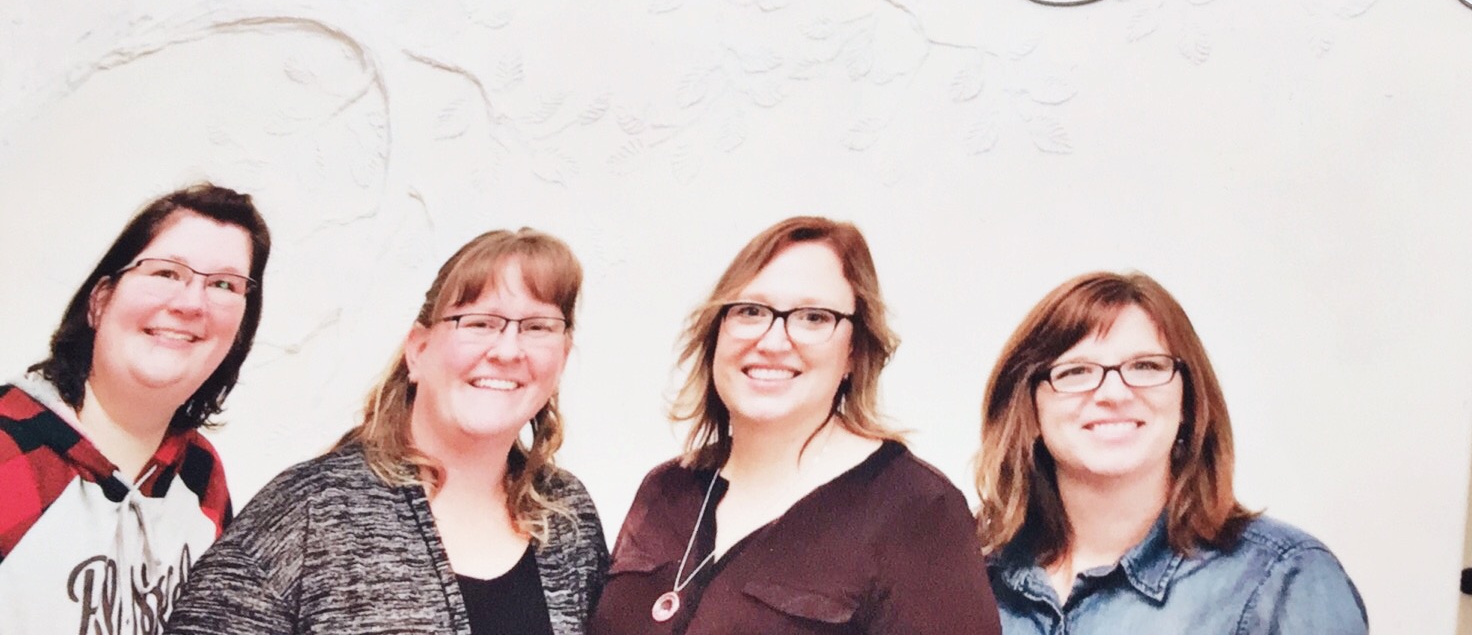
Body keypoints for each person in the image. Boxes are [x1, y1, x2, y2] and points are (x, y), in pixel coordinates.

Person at [166, 227, 607, 634]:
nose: (508, 350)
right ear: (419, 350)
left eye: (537, 328)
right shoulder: (312, 510)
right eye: (479, 323)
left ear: (563, 356)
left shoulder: (568, 518)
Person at [592, 216, 998, 634]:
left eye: (813, 317)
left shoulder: (918, 512)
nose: (772, 341)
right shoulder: (666, 490)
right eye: (750, 311)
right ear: (716, 333)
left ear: (855, 350)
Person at [978, 272, 1368, 633]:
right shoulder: (976, 578)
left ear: (1188, 403)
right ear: (1027, 410)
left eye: (1146, 366)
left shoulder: (1282, 580)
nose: (1114, 394)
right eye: (1076, 372)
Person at [0, 181, 269, 634]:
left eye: (224, 284)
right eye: (166, 273)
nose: (191, 303)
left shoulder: (201, 476)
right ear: (100, 299)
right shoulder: (8, 449)